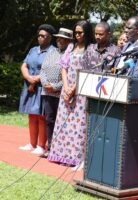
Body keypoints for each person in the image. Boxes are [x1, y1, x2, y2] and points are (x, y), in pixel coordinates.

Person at [48, 20, 95, 169]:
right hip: (67, 89)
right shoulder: (71, 46)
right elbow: (64, 67)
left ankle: (76, 157)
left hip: (81, 91)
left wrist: (74, 87)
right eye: (76, 32)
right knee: (64, 121)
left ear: (87, 33)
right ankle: (62, 154)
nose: (77, 35)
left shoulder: (91, 49)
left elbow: (89, 70)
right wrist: (67, 86)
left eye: (80, 32)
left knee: (78, 124)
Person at [19, 24, 56, 155]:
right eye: (39, 35)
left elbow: (51, 70)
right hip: (30, 87)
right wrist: (29, 78)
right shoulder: (33, 50)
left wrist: (35, 80)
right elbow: (24, 65)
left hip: (42, 87)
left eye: (43, 36)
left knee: (42, 116)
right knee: (32, 115)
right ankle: (32, 143)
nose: (40, 38)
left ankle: (41, 146)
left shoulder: (53, 52)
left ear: (50, 38)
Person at [39, 28, 73, 157]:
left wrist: (56, 87)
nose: (59, 40)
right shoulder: (52, 51)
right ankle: (50, 147)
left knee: (62, 121)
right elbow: (42, 70)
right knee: (49, 120)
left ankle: (61, 150)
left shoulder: (71, 54)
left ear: (69, 41)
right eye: (58, 38)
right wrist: (45, 84)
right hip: (47, 92)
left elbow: (70, 74)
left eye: (62, 38)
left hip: (61, 93)